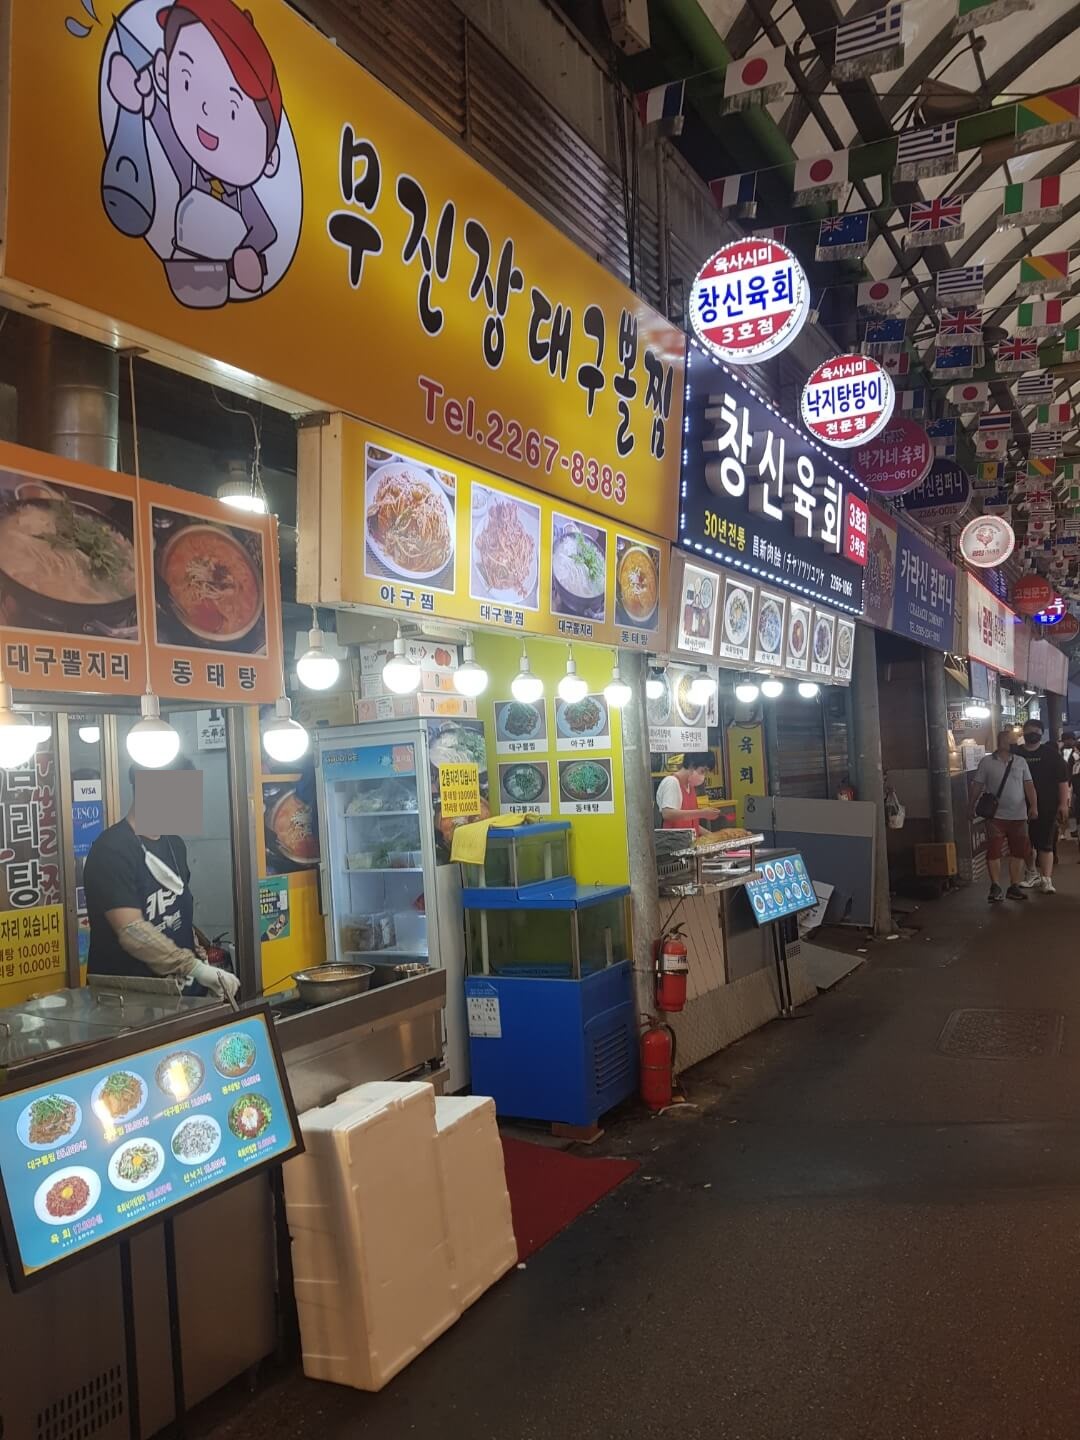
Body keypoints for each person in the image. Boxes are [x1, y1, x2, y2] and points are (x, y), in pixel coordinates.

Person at [84, 759, 239, 1000]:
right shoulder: (112, 848)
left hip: (182, 994)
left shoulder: (174, 845)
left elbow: (180, 914)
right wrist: (194, 968)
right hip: (128, 1001)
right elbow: (131, 931)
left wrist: (201, 957)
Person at [970, 730, 1037, 904]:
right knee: (994, 850)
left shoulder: (1021, 761)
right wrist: (971, 805)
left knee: (1018, 851)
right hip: (995, 816)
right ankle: (995, 886)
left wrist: (1034, 806)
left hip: (1019, 816)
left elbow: (1029, 785)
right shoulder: (987, 762)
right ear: (1002, 743)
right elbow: (977, 785)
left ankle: (1014, 886)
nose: (1015, 744)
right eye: (1012, 742)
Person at [1014, 718, 1070, 893]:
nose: (1032, 736)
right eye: (1029, 732)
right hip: (1018, 806)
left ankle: (1046, 879)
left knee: (1045, 842)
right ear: (1023, 733)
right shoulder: (1015, 753)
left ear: (1041, 734)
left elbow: (1062, 781)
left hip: (1047, 805)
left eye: (1036, 733)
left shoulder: (1051, 755)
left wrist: (1063, 804)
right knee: (1025, 842)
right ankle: (1031, 874)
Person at [656, 753, 720, 835]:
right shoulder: (672, 782)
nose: (703, 776)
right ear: (691, 765)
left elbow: (691, 824)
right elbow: (668, 814)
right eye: (702, 771)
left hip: (689, 842)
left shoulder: (690, 787)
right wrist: (702, 813)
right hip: (674, 844)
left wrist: (712, 836)